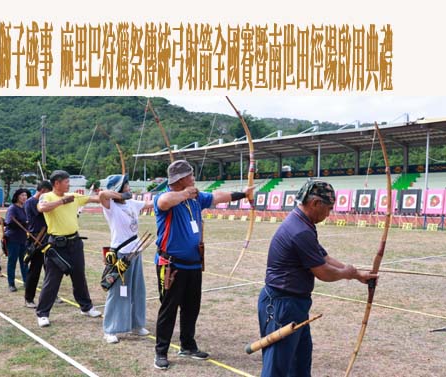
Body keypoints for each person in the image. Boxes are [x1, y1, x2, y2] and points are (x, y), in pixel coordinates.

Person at [258, 180, 378, 377]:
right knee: (277, 367)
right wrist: (346, 273)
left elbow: (323, 257)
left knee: (300, 362)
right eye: (328, 208)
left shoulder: (303, 223)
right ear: (315, 203)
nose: (329, 214)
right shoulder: (300, 230)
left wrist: (357, 275)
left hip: (294, 305)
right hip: (281, 305)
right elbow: (323, 271)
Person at [153, 160, 253, 370]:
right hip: (171, 265)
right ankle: (161, 351)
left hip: (193, 264)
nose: (193, 178)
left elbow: (217, 197)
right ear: (180, 180)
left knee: (191, 307)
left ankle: (188, 345)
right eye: (190, 175)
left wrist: (242, 194)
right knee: (168, 309)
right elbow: (164, 200)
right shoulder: (167, 199)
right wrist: (187, 193)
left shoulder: (195, 198)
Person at [35, 170, 101, 327]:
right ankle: (43, 313)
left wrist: (108, 194)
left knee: (79, 276)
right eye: (66, 181)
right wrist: (62, 201)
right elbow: (42, 208)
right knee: (52, 280)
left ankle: (86, 307)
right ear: (56, 183)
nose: (68, 184)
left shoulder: (74, 196)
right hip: (57, 245)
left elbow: (95, 199)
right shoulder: (47, 196)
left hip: (75, 242)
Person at [99, 174, 153, 344]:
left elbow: (151, 203)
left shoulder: (132, 203)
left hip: (135, 251)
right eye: (126, 185)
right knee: (118, 292)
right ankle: (111, 329)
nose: (129, 188)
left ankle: (137, 324)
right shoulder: (111, 206)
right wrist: (121, 196)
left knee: (138, 289)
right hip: (120, 254)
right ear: (119, 188)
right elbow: (102, 194)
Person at [23, 180, 52, 308]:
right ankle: (29, 299)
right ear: (43, 190)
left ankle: (51, 295)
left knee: (51, 270)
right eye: (48, 192)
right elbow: (42, 211)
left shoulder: (42, 201)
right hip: (37, 238)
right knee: (35, 270)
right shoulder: (31, 202)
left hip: (47, 238)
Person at [4, 188, 31, 292]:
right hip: (13, 238)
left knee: (24, 261)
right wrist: (24, 223)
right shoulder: (12, 208)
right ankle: (11, 284)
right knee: (12, 261)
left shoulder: (25, 208)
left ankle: (26, 281)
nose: (24, 197)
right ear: (17, 197)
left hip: (23, 238)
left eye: (26, 195)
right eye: (22, 195)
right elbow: (9, 222)